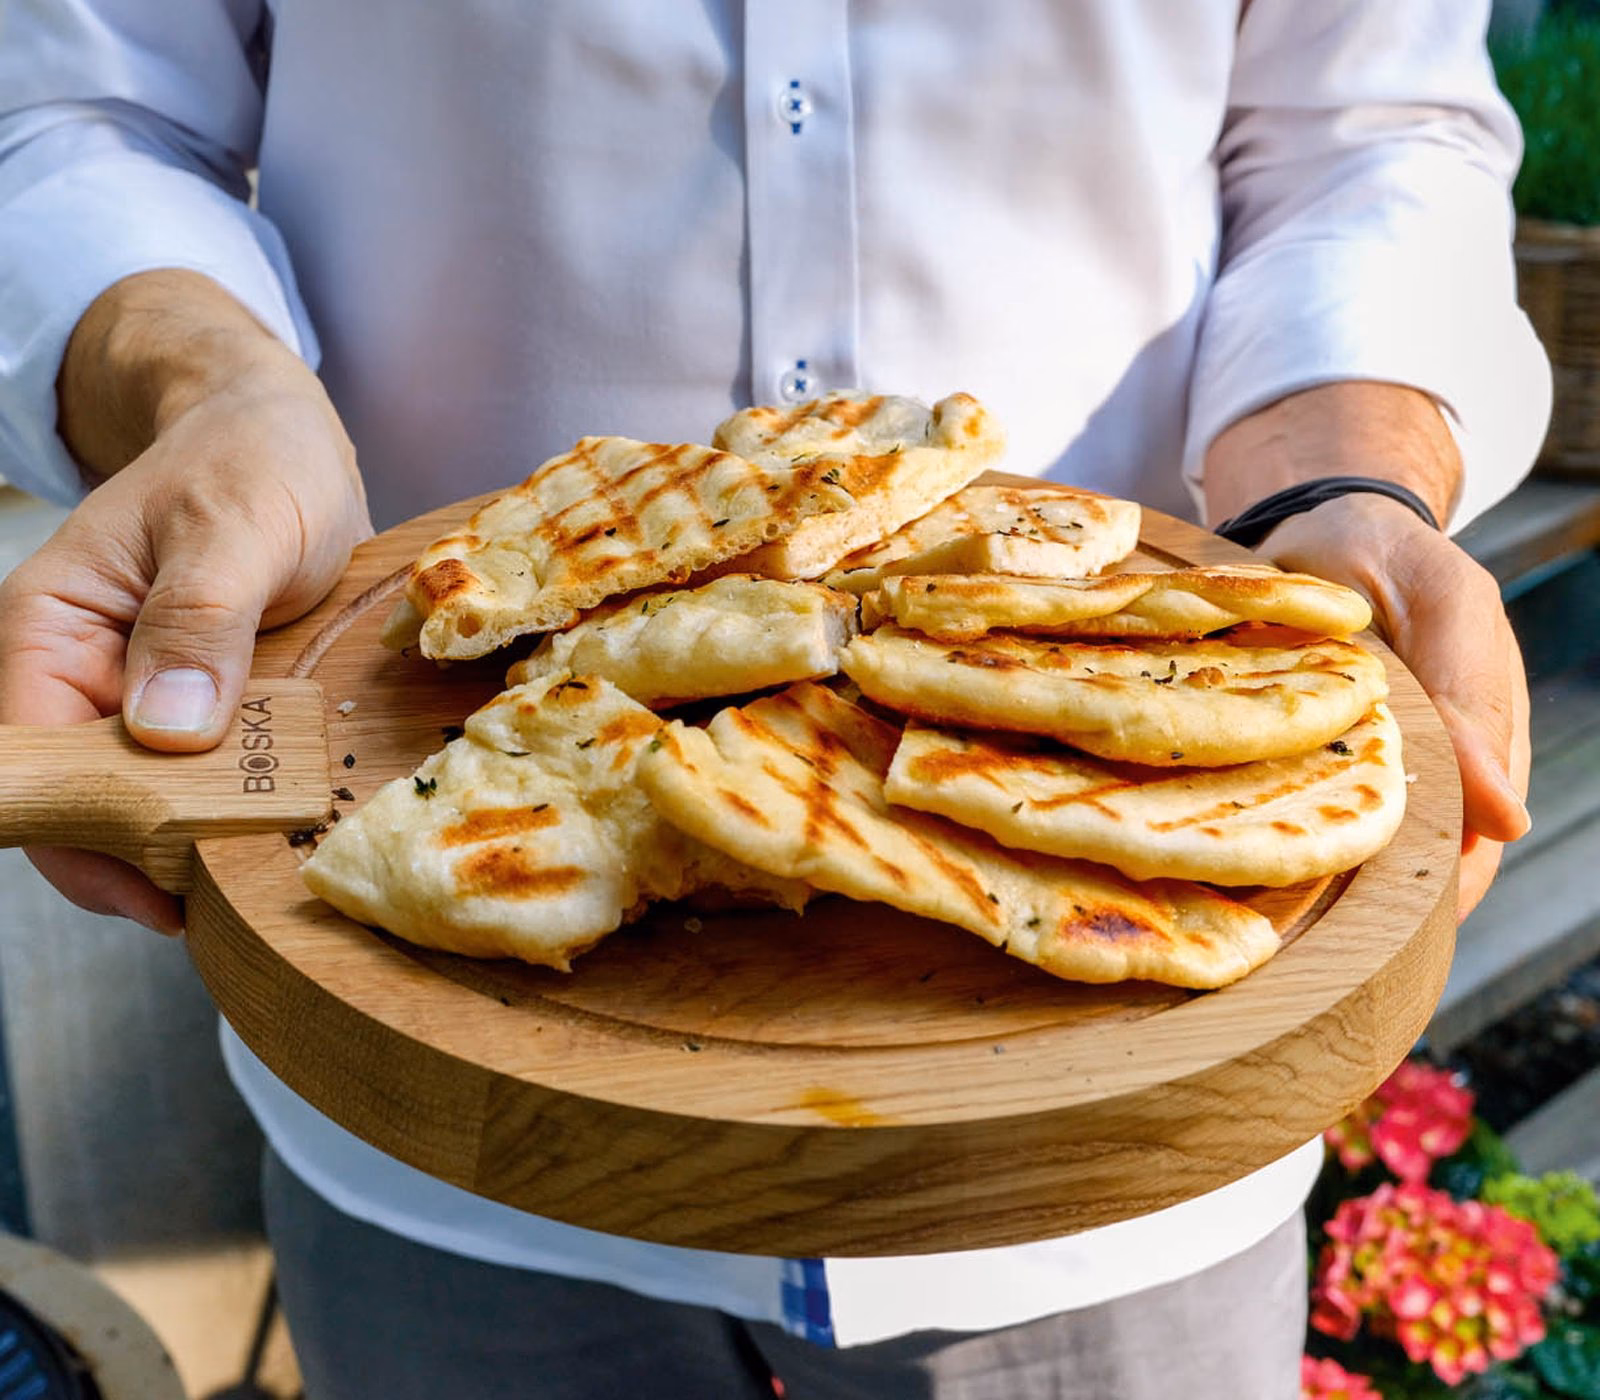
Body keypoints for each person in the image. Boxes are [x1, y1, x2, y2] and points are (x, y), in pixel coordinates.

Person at [0, 2, 1545, 1396]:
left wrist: (1343, 482)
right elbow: (83, 113)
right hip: (450, 1068)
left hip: (1095, 1136)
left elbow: (1368, 134)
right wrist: (209, 393)